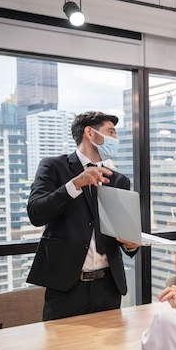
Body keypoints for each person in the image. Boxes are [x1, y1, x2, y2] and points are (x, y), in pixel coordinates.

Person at [26, 111, 139, 321]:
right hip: (66, 287)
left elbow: (121, 236)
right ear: (90, 132)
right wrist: (76, 184)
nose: (115, 139)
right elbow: (36, 213)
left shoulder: (118, 180)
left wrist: (130, 245)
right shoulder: (53, 167)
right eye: (110, 132)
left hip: (108, 287)